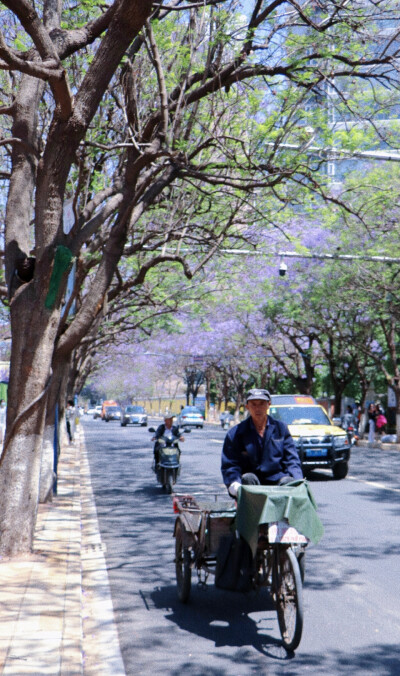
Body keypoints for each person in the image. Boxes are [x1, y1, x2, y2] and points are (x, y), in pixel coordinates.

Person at [221, 388, 303, 498]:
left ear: (269, 404)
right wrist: (234, 483)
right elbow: (230, 464)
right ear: (247, 406)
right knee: (248, 478)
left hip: (277, 480)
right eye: (253, 404)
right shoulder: (236, 433)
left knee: (288, 482)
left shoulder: (281, 429)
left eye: (261, 404)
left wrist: (298, 481)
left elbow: (292, 460)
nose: (257, 408)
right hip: (250, 484)